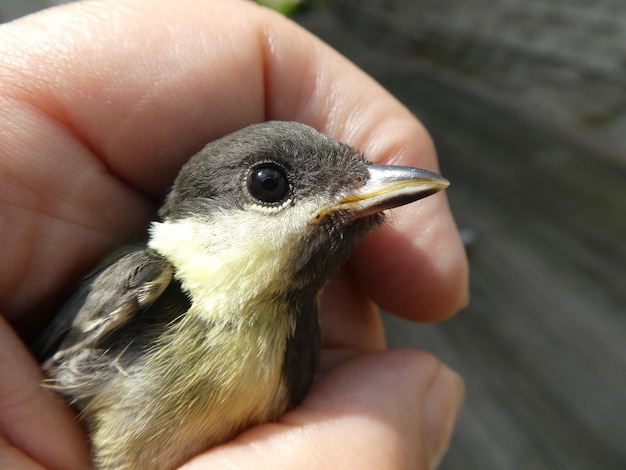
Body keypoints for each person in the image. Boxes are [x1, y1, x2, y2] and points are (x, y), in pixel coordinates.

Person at [0, 1, 468, 468]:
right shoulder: (147, 280)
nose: (354, 195)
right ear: (195, 218)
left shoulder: (299, 343)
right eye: (271, 187)